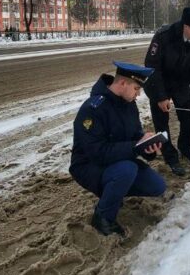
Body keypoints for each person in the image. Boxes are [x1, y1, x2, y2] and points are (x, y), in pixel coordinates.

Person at [70, 61, 167, 236]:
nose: (138, 95)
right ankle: (103, 218)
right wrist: (135, 147)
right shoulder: (93, 108)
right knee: (126, 170)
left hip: (117, 161)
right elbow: (97, 152)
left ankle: (114, 191)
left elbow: (135, 136)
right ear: (123, 83)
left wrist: (147, 147)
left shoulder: (128, 104)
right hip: (88, 165)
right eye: (136, 89)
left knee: (157, 186)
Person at [144, 5, 190, 176]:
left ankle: (186, 149)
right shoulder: (163, 36)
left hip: (180, 83)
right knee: (161, 123)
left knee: (188, 116)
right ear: (186, 26)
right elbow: (152, 67)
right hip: (158, 82)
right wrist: (160, 96)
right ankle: (170, 157)